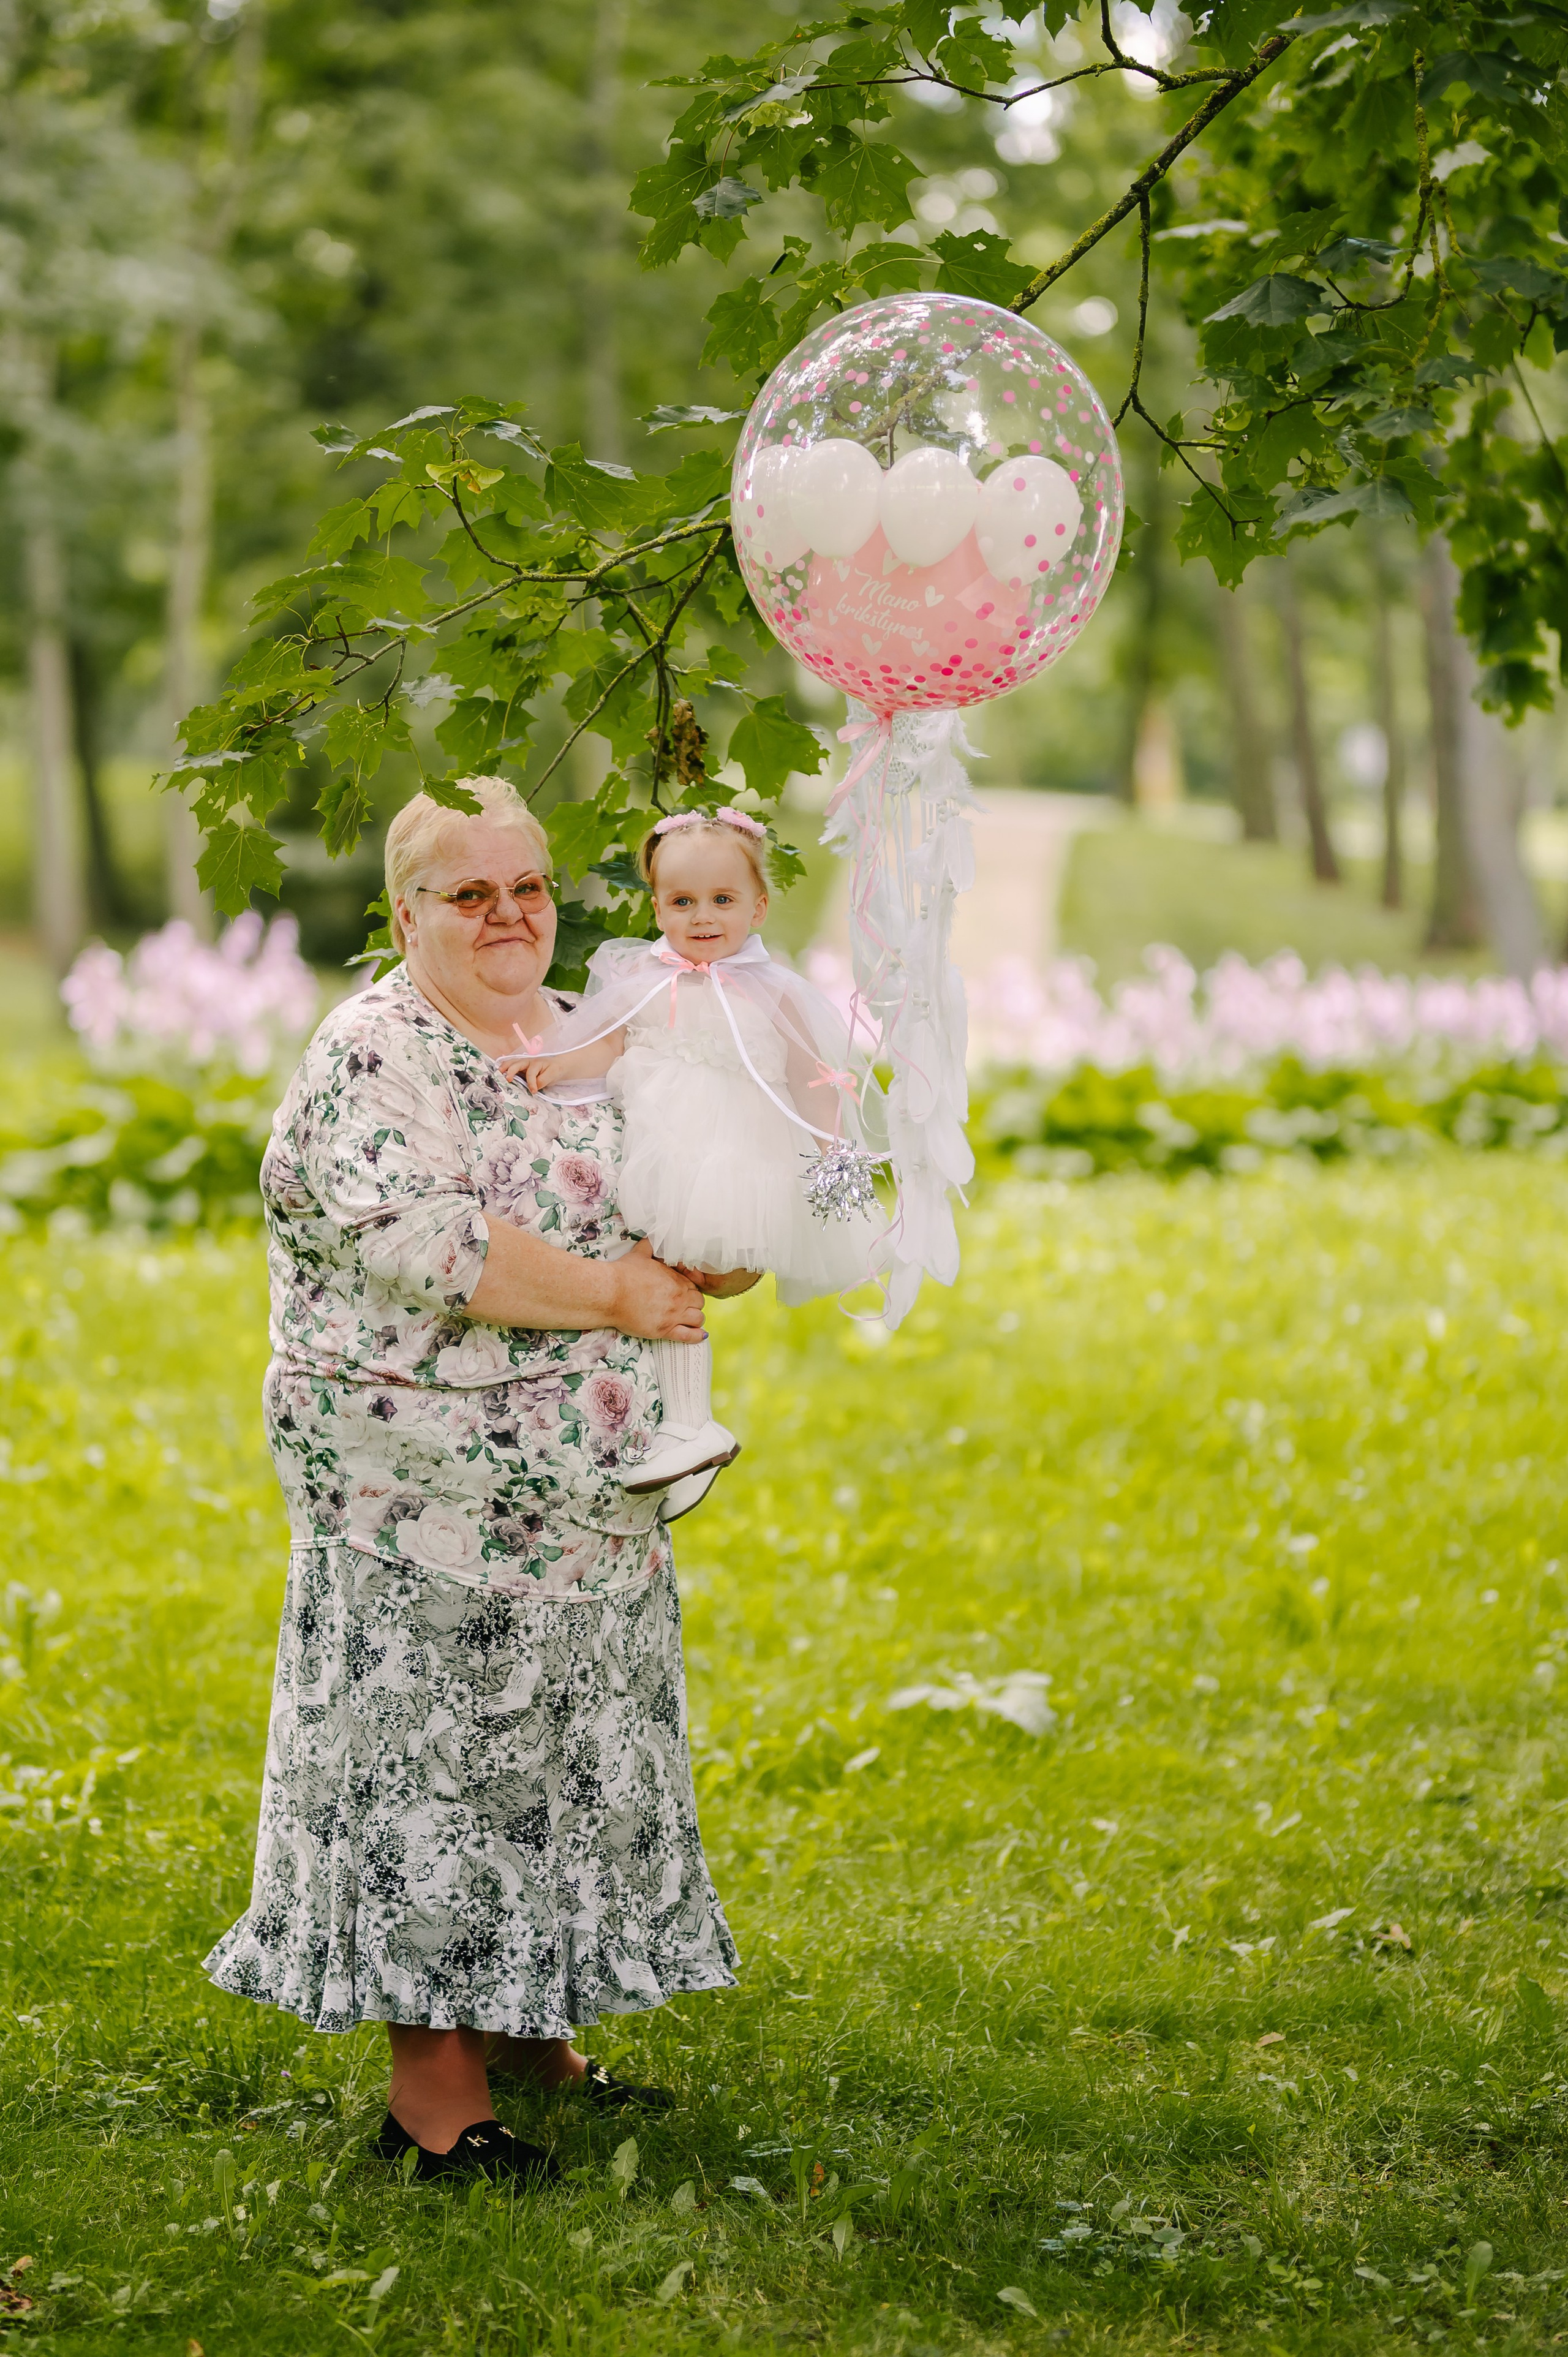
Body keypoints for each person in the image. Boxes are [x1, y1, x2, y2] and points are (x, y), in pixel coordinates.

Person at [203, 775, 748, 2184]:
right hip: (420, 1486)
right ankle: (432, 2097)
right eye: (470, 892)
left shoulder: (582, 1032)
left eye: (530, 886)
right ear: (406, 914)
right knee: (435, 1762)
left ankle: (534, 2033)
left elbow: (669, 1199)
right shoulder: (375, 1049)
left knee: (563, 1746)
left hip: (583, 1483)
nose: (509, 915)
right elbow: (433, 1244)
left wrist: (728, 1225)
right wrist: (622, 1298)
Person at [516, 807, 884, 1496]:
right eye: (682, 901)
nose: (702, 916)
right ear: (656, 905)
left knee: (682, 1279)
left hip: (725, 1159)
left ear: (759, 906)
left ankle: (686, 1427)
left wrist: (837, 1165)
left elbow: (815, 1078)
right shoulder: (647, 979)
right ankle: (681, 1426)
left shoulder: (770, 992)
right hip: (653, 1155)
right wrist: (561, 1063)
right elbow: (613, 1040)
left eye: (722, 900)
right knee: (657, 1280)